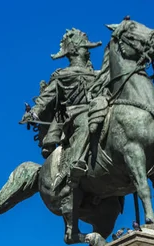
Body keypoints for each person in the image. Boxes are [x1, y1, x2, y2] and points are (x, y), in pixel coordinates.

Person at [21, 28, 101, 182]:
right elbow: (46, 97)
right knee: (85, 122)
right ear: (75, 50)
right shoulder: (62, 75)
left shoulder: (98, 74)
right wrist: (34, 113)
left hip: (97, 109)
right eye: (85, 48)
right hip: (72, 114)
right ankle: (76, 161)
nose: (88, 52)